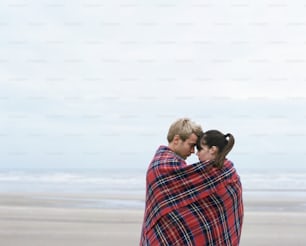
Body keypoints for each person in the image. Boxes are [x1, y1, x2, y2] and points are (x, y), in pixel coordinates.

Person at [140, 119, 243, 246]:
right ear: (177, 140)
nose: (193, 152)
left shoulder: (204, 173)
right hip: (167, 234)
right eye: (191, 145)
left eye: (197, 147)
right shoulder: (162, 167)